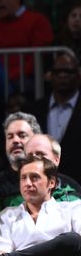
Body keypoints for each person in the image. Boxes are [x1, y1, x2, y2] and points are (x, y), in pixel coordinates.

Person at [27, 53, 81, 183]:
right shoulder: (35, 109)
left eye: (68, 71)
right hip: (40, 184)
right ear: (49, 76)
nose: (63, 75)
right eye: (58, 72)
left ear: (78, 76)